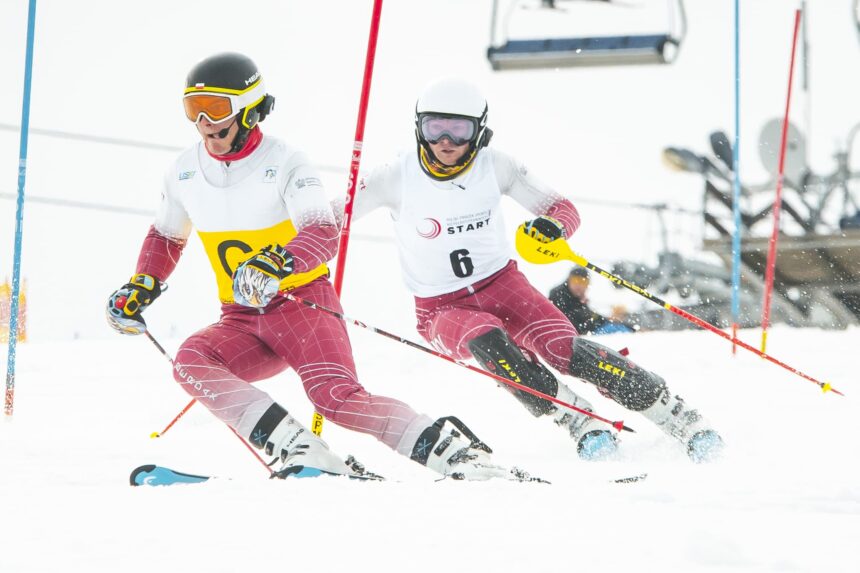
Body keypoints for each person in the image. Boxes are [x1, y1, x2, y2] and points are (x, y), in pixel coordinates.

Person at [105, 53, 525, 481]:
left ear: (249, 109)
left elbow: (323, 231)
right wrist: (143, 284)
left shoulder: (286, 161)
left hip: (301, 307)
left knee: (336, 398)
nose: (204, 123)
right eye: (193, 109)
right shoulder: (183, 172)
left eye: (216, 108)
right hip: (241, 319)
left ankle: (455, 454)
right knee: (191, 360)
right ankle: (300, 449)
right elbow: (166, 236)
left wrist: (279, 261)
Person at [350, 78, 723, 462]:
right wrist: (306, 264)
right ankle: (577, 420)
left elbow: (563, 210)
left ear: (479, 131)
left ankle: (674, 413)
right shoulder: (393, 176)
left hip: (503, 284)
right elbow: (329, 222)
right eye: (434, 128)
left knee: (566, 349)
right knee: (486, 338)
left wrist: (553, 227)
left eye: (459, 129)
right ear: (419, 128)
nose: (445, 141)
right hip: (440, 308)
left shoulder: (496, 166)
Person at [549, 266, 636, 335]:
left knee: (618, 326)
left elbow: (588, 316)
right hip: (573, 336)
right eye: (575, 281)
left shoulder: (577, 298)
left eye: (583, 282)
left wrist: (607, 319)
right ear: (568, 281)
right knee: (616, 329)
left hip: (586, 331)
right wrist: (595, 320)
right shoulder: (558, 294)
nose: (579, 285)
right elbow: (574, 321)